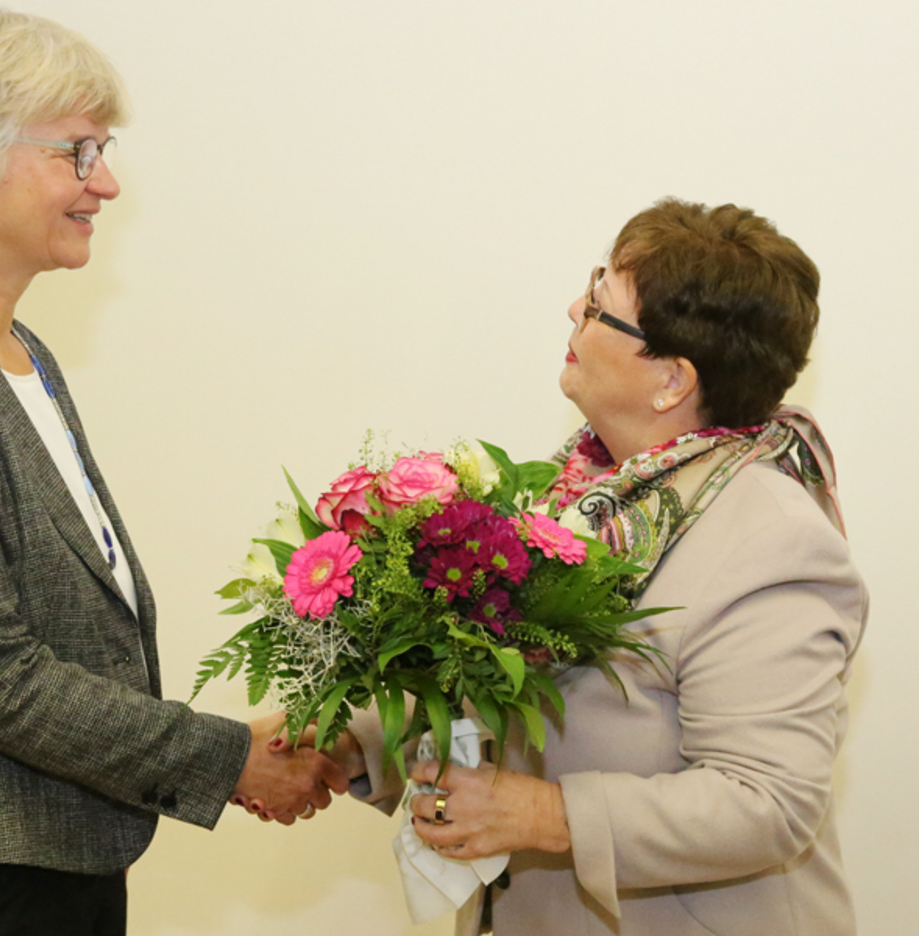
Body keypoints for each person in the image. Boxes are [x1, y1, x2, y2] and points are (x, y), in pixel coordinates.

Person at [0, 9, 344, 936]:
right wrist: (223, 758)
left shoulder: (17, 352)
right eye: (77, 154)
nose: (107, 183)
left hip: (43, 853)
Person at [301, 199, 867, 934]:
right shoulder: (584, 494)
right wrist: (344, 741)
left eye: (600, 308)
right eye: (592, 286)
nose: (574, 308)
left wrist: (545, 814)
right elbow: (522, 699)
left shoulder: (772, 541)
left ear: (671, 379)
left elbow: (766, 801)